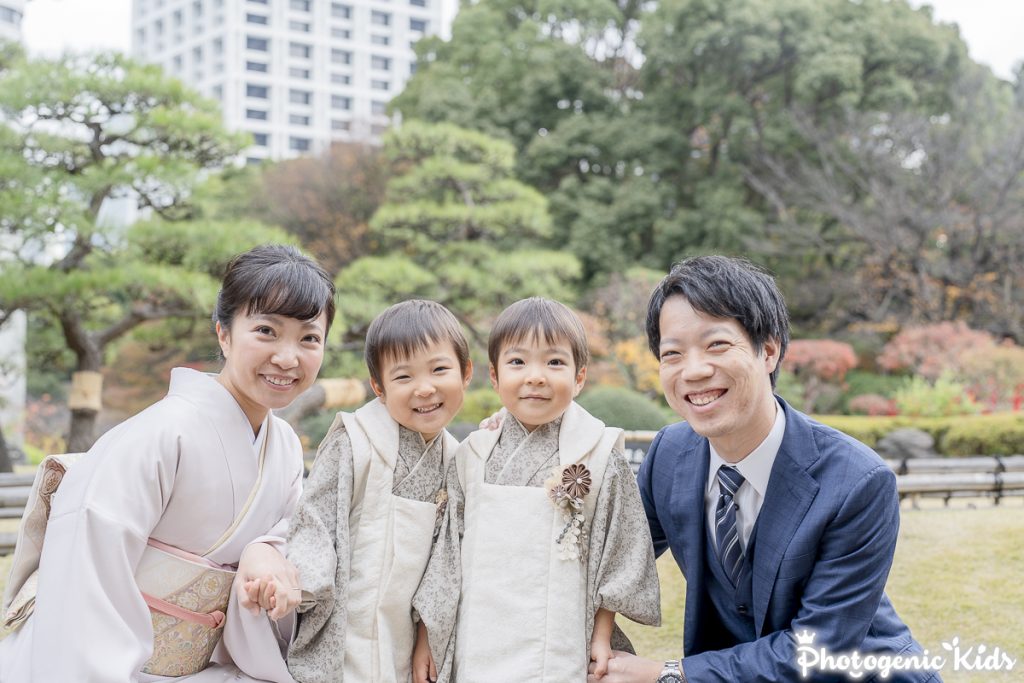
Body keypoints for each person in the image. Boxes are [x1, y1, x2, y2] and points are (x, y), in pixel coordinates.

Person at [592, 255, 938, 682]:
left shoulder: (858, 482)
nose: (694, 371)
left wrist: (669, 674)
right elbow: (610, 552)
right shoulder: (669, 454)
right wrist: (526, 427)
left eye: (717, 344)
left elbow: (818, 651)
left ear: (768, 350)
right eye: (673, 354)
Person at [0, 244, 335, 682]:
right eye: (267, 331)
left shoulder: (285, 447)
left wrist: (264, 553)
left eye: (309, 338)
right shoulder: (160, 433)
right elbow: (87, 567)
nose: (288, 358)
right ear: (224, 333)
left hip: (198, 668)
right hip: (94, 661)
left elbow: (282, 537)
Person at [446, 297, 660, 682]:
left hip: (563, 632)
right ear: (494, 377)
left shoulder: (597, 453)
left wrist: (602, 634)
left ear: (579, 378)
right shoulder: (472, 456)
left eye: (554, 362)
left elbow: (618, 551)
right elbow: (447, 552)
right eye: (517, 362)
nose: (536, 376)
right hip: (480, 634)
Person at [282, 299, 473, 683]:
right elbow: (316, 520)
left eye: (439, 369)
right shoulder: (355, 439)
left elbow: (446, 562)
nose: (425, 388)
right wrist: (301, 587)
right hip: (342, 621)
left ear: (466, 373)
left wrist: (428, 636)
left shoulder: (459, 460)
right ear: (379, 387)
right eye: (403, 377)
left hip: (404, 636)